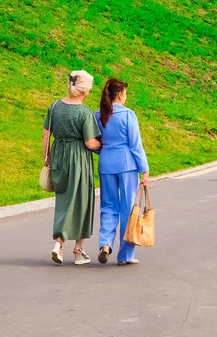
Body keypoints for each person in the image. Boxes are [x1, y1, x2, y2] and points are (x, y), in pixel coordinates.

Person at [43, 70, 101, 265]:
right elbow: (90, 143)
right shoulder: (84, 112)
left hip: (59, 154)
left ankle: (60, 244)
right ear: (84, 91)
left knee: (64, 200)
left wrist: (47, 158)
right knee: (82, 200)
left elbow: (45, 134)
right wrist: (106, 147)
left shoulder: (54, 106)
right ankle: (77, 248)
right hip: (78, 158)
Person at [95, 78, 149, 266]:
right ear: (120, 94)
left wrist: (104, 150)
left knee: (108, 206)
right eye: (125, 93)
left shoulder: (99, 116)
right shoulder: (128, 115)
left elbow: (95, 142)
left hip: (106, 164)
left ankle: (105, 243)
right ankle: (125, 255)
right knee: (128, 209)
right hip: (127, 165)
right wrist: (145, 168)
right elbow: (135, 145)